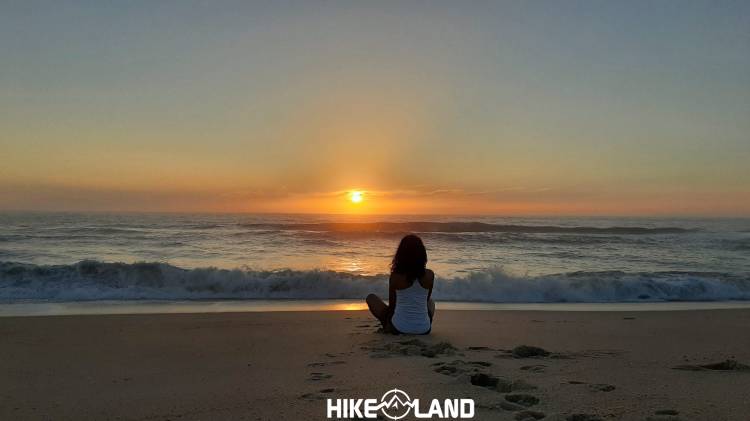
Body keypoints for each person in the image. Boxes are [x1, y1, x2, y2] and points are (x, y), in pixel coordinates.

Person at [366, 234, 435, 334]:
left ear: (401, 255)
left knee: (371, 298)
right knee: (430, 302)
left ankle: (388, 327)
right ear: (422, 254)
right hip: (425, 330)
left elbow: (392, 307)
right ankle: (420, 324)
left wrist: (388, 321)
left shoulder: (396, 276)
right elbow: (425, 301)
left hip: (399, 329)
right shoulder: (430, 275)